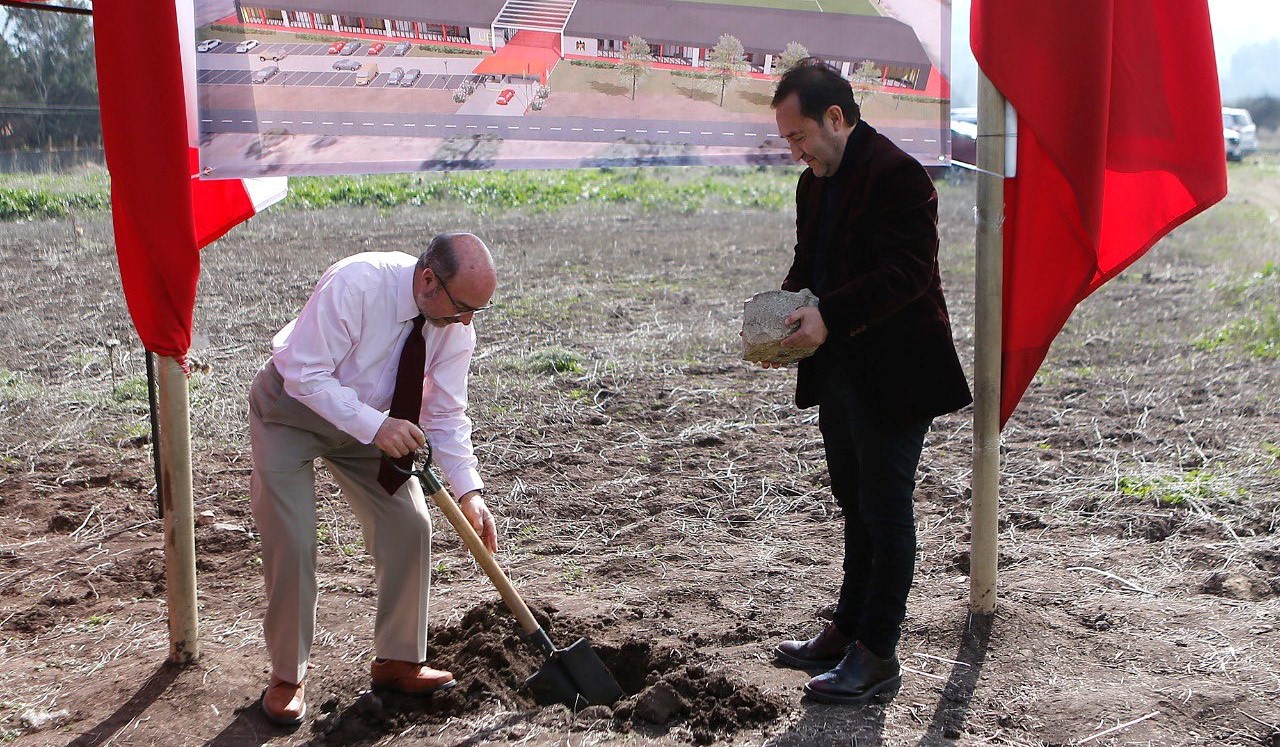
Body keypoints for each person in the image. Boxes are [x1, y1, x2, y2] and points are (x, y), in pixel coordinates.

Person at [763, 60, 972, 704]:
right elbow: (811, 261)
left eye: (799, 136)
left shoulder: (900, 176)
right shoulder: (815, 182)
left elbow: (905, 274)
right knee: (855, 504)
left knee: (885, 510)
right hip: (840, 370)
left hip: (899, 373)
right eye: (787, 141)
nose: (794, 151)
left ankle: (878, 653)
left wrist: (829, 315)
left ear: (835, 117)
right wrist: (782, 311)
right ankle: (847, 631)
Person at [249, 233, 500, 725]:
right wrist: (377, 426)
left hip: (371, 423)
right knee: (294, 540)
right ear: (428, 278)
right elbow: (305, 374)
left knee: (411, 525)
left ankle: (398, 660)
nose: (466, 321)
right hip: (290, 411)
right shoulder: (358, 282)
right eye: (462, 307)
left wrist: (469, 491)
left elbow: (446, 414)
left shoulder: (452, 325)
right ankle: (287, 675)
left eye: (477, 311)